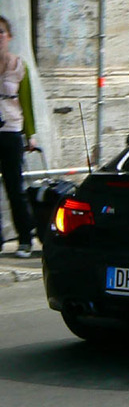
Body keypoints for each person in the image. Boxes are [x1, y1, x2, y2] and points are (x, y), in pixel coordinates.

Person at [0, 16, 36, 258]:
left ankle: (25, 238)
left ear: (9, 36)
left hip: (11, 130)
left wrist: (30, 135)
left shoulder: (18, 65)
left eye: (1, 32)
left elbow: (27, 103)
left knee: (15, 187)